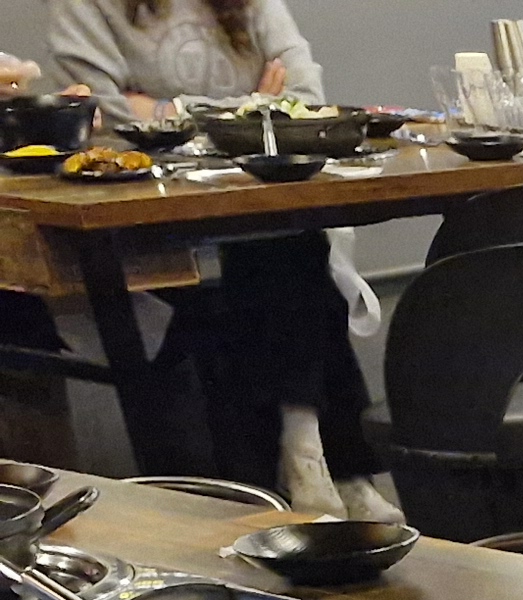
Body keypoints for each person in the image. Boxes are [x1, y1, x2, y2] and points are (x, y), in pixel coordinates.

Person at [30, 0, 393, 511]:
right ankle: (332, 466)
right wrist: (249, 107)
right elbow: (105, 113)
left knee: (289, 242)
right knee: (281, 257)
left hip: (247, 202)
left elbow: (306, 98)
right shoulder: (87, 6)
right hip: (147, 217)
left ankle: (310, 454)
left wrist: (165, 109)